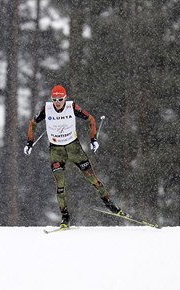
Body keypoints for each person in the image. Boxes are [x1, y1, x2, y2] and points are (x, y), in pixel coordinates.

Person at [23, 85, 126, 228]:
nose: (57, 102)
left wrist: (93, 139)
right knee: (60, 185)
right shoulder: (46, 109)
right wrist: (29, 143)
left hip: (74, 148)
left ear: (65, 98)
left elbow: (90, 119)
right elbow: (33, 123)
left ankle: (111, 205)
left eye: (60, 99)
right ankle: (65, 218)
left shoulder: (72, 107)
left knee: (92, 178)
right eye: (54, 99)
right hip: (56, 150)